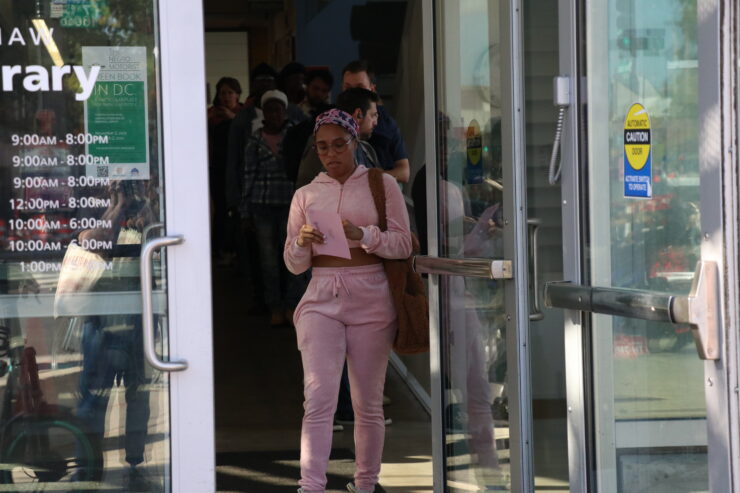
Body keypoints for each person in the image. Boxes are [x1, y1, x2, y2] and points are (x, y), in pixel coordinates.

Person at [284, 109, 412, 493]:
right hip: (321, 295)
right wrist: (301, 244)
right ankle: (311, 486)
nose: (331, 153)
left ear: (355, 142)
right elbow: (292, 265)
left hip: (371, 294)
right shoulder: (305, 194)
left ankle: (366, 483)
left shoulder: (381, 184)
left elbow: (403, 244)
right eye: (322, 147)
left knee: (367, 403)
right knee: (319, 396)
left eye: (339, 144)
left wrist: (364, 234)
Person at [241, 90, 296, 326]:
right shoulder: (255, 139)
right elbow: (248, 175)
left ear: (285, 111)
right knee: (268, 260)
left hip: (291, 205)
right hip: (262, 206)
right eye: (270, 109)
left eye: (279, 109)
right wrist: (245, 211)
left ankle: (293, 305)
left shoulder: (293, 134)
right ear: (264, 112)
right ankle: (275, 306)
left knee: (293, 258)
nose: (275, 113)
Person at [295, 87, 380, 189]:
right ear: (359, 114)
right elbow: (304, 186)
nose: (376, 122)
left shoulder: (368, 150)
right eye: (373, 115)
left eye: (339, 145)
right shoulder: (320, 142)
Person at [341, 60, 410, 183]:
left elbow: (404, 172)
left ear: (372, 89)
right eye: (348, 88)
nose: (353, 94)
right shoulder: (328, 125)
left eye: (360, 88)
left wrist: (370, 178)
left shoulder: (387, 125)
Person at [208, 77, 243, 265]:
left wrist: (234, 119)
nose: (226, 96)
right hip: (217, 167)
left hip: (239, 167)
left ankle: (237, 249)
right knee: (220, 209)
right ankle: (218, 249)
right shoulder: (211, 115)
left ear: (237, 94)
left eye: (230, 92)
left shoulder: (244, 114)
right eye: (223, 93)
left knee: (237, 208)